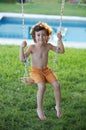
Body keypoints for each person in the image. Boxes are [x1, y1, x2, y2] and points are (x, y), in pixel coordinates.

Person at [20, 22, 65, 120]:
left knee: (57, 85)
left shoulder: (48, 46)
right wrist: (21, 48)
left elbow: (61, 51)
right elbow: (22, 59)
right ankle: (39, 109)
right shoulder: (32, 47)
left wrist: (60, 40)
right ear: (34, 36)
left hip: (46, 70)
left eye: (44, 35)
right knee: (42, 86)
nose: (41, 37)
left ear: (47, 36)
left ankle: (58, 107)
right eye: (38, 35)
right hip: (35, 71)